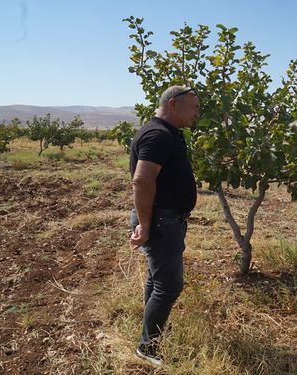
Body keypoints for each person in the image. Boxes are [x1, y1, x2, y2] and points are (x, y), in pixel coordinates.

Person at [129, 85, 200, 366]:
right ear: (173, 104)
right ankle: (147, 348)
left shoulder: (168, 134)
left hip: (163, 220)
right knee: (169, 287)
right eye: (194, 107)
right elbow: (142, 181)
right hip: (160, 221)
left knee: (156, 281)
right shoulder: (158, 135)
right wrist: (145, 225)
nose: (197, 113)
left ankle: (150, 335)